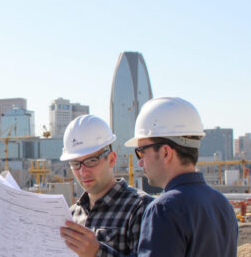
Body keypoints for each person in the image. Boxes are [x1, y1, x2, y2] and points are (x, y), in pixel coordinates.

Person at [123, 97, 238, 256]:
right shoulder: (222, 204)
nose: (140, 162)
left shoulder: (164, 209)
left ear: (165, 152)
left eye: (141, 152)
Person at [59, 114, 153, 256]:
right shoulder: (71, 215)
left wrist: (97, 253)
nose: (83, 171)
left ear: (111, 159)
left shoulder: (141, 208)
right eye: (75, 164)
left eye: (91, 161)